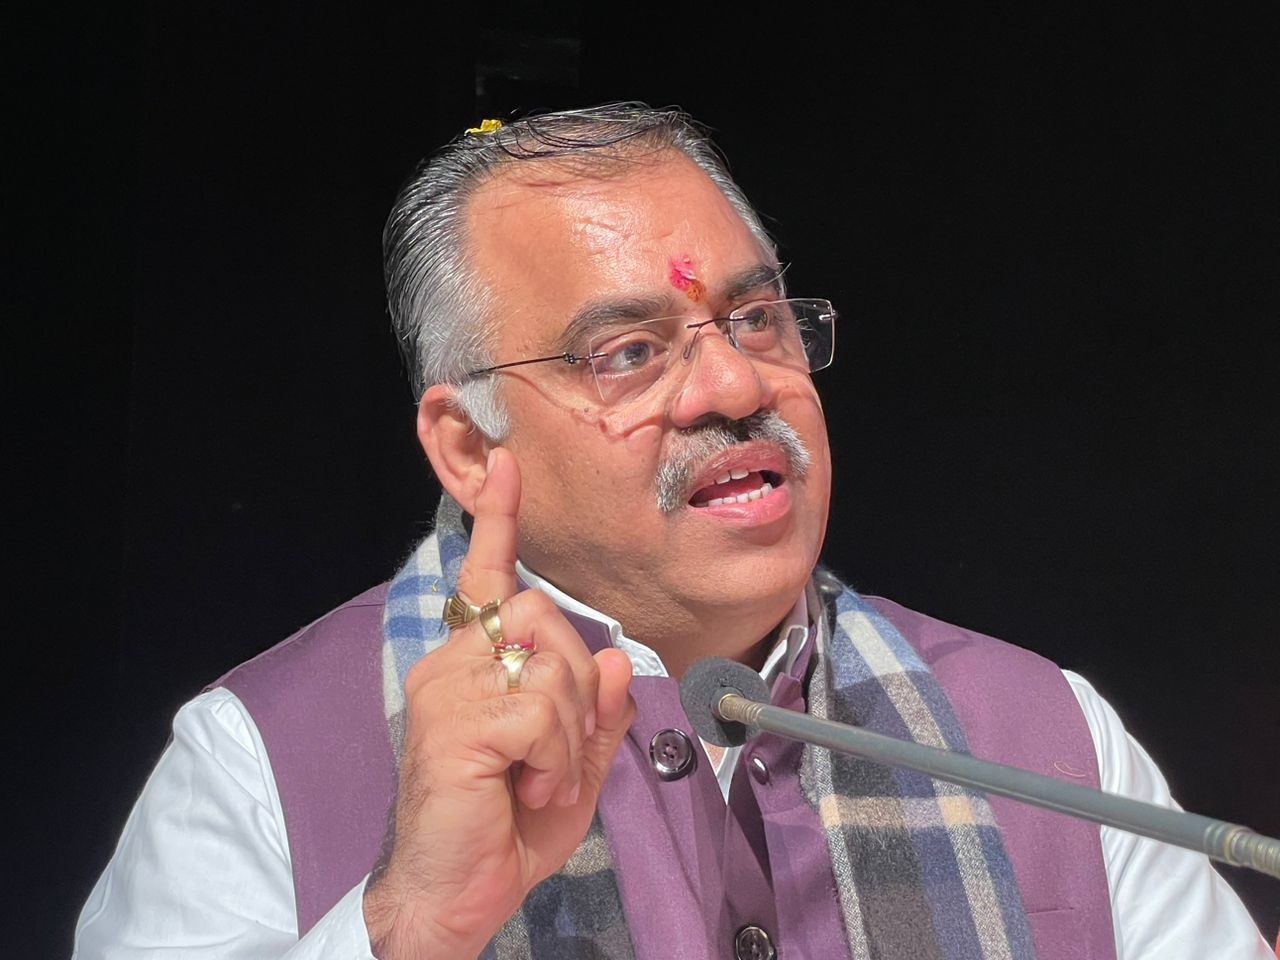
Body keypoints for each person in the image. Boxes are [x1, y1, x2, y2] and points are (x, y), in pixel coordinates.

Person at [74, 103, 1269, 959]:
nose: (734, 387)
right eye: (627, 352)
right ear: (469, 447)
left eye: (755, 319)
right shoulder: (261, 764)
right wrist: (409, 923)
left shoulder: (1048, 738)